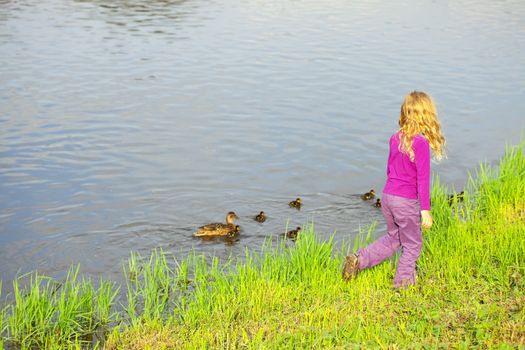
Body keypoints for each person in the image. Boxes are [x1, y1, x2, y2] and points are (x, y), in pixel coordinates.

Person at [343, 91, 446, 288]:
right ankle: (403, 286)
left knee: (395, 238)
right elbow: (423, 179)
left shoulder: (395, 137)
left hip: (388, 196)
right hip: (405, 201)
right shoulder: (421, 143)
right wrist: (425, 210)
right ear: (427, 115)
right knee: (413, 245)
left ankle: (359, 260)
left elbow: (389, 168)